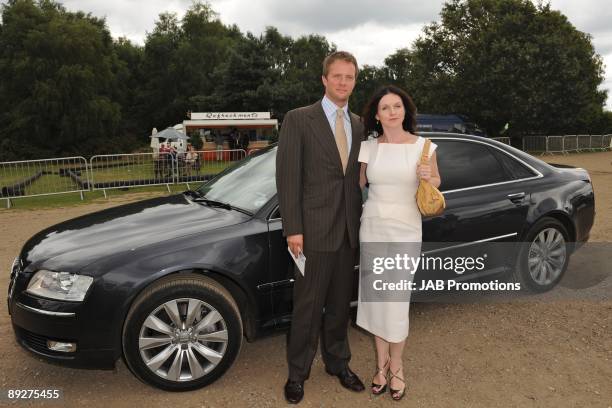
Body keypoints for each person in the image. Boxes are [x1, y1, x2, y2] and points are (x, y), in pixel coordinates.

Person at [276, 51, 366, 404]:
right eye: (337, 76)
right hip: (311, 233)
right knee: (307, 308)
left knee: (341, 306)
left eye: (350, 77)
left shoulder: (359, 124)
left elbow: (358, 178)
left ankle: (338, 363)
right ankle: (297, 374)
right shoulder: (299, 120)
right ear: (324, 79)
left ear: (354, 81)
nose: (343, 82)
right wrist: (293, 228)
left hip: (347, 232)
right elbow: (288, 178)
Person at [356, 85, 441, 401]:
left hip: (406, 229)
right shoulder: (368, 147)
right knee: (377, 298)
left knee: (397, 299)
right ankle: (380, 366)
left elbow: (437, 183)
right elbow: (360, 184)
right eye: (385, 107)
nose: (392, 111)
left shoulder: (424, 146)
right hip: (373, 227)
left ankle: (398, 366)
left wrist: (427, 177)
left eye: (397, 106)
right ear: (376, 115)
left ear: (405, 110)